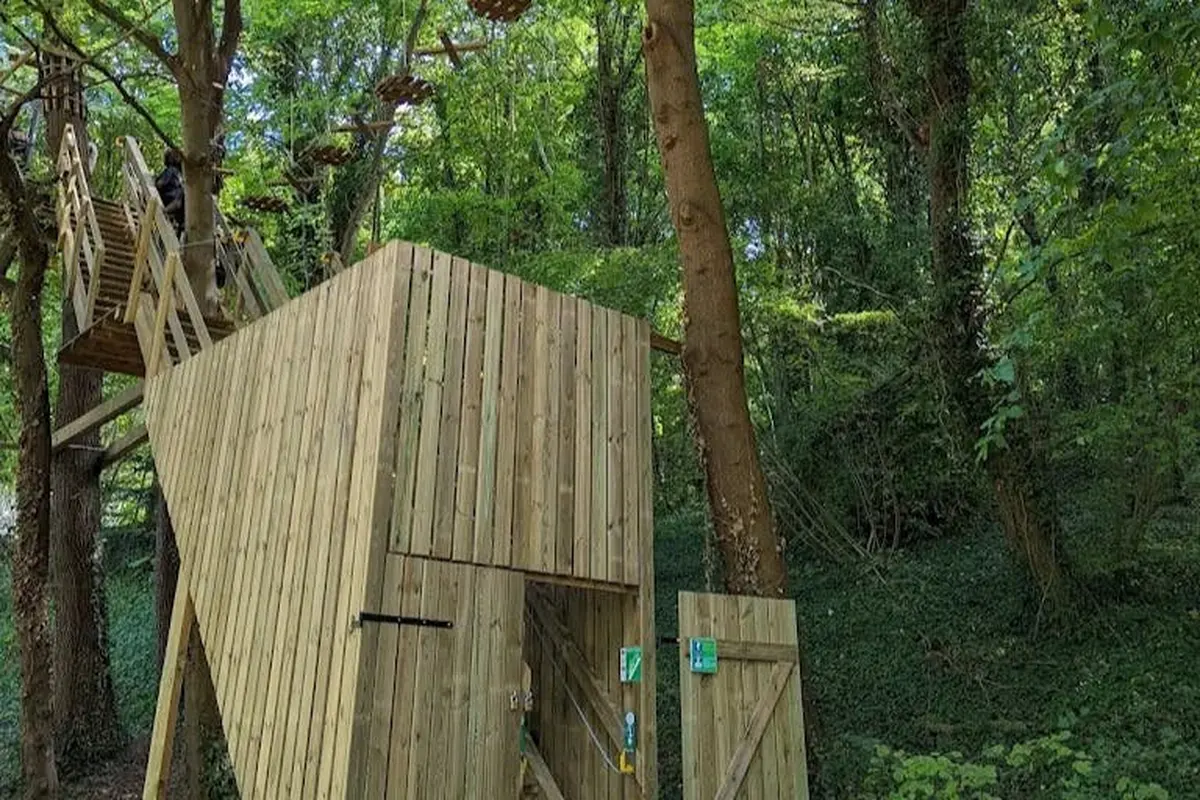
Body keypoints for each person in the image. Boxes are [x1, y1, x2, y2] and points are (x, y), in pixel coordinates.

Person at [155, 148, 185, 236]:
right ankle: (167, 211)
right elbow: (160, 184)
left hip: (178, 201)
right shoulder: (171, 170)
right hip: (169, 198)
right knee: (182, 193)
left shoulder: (181, 175)